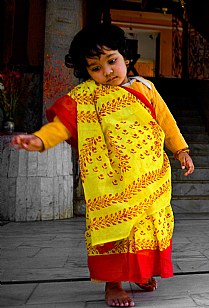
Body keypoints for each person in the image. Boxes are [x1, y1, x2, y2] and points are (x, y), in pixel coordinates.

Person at [12, 24, 194, 307]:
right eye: (96, 68)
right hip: (113, 181)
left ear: (124, 56)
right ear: (88, 72)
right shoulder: (87, 96)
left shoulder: (145, 87)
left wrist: (181, 149)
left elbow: (166, 121)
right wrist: (39, 140)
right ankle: (113, 284)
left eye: (112, 61)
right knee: (116, 231)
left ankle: (141, 271)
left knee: (147, 228)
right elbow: (62, 125)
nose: (107, 71)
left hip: (151, 177)